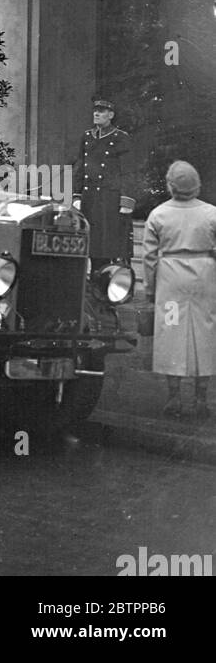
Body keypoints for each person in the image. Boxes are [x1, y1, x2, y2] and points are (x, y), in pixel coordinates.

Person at [142, 160, 216, 420]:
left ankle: (174, 397)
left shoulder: (159, 214)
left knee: (171, 333)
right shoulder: (211, 213)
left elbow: (149, 258)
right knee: (206, 333)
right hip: (205, 278)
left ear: (170, 185)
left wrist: (150, 290)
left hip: (171, 281)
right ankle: (201, 399)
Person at [71, 96, 133, 269]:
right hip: (89, 197)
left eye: (102, 111)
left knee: (107, 244)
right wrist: (76, 194)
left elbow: (128, 170)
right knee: (89, 241)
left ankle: (106, 278)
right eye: (95, 111)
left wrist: (126, 200)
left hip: (109, 198)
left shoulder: (121, 137)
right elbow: (80, 167)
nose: (96, 114)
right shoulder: (87, 137)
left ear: (111, 115)